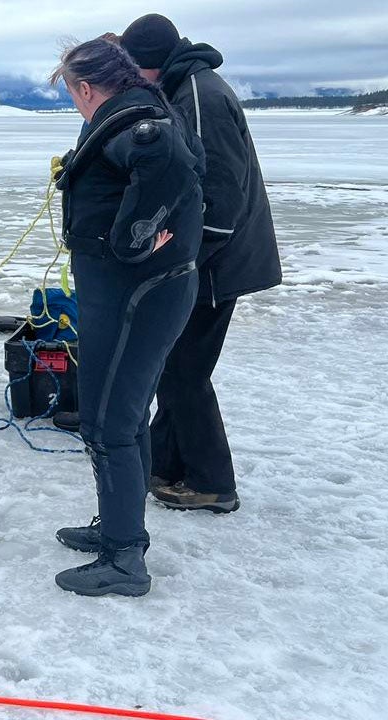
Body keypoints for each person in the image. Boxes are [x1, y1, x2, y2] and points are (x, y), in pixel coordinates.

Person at [49, 38, 206, 597]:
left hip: (135, 296)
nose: (74, 103)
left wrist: (133, 239)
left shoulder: (138, 126)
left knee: (107, 422)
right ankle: (121, 529)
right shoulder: (146, 109)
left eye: (71, 93)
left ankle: (123, 560)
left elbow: (167, 162)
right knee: (128, 414)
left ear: (86, 88)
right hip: (137, 293)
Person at [120, 14, 281, 513]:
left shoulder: (199, 95)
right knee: (174, 365)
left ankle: (212, 483)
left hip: (217, 262)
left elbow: (221, 195)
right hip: (214, 257)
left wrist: (187, 259)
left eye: (133, 71)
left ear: (150, 64)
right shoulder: (186, 83)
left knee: (183, 372)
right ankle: (165, 465)